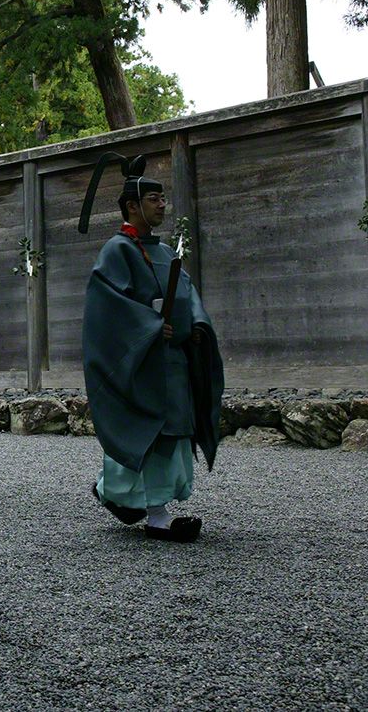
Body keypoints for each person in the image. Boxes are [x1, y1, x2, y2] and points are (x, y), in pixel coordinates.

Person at [79, 153, 224, 543]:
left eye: (163, 199)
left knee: (173, 434)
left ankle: (122, 495)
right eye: (155, 199)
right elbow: (107, 307)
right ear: (132, 206)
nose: (163, 205)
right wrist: (148, 327)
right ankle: (155, 517)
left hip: (173, 365)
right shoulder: (116, 251)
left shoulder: (165, 253)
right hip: (142, 364)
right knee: (145, 432)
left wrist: (195, 326)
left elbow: (189, 294)